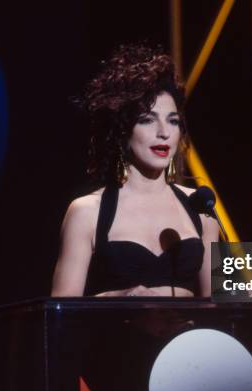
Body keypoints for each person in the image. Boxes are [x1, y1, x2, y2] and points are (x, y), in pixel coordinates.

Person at [50, 44, 219, 298]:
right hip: (115, 338)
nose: (163, 132)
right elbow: (61, 315)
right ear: (122, 132)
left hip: (188, 337)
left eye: (172, 121)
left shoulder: (200, 209)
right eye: (147, 119)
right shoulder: (87, 212)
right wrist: (119, 298)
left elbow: (220, 307)